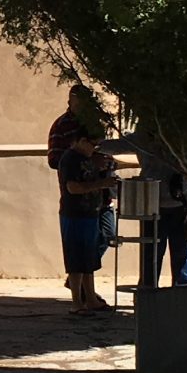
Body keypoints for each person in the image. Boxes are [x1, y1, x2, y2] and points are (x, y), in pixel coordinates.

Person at [49, 83, 119, 315]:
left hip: (95, 206)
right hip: (76, 212)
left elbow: (104, 154)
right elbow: (72, 186)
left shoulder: (93, 130)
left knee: (94, 249)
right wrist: (95, 175)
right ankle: (78, 300)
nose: (93, 147)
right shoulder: (69, 155)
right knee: (77, 257)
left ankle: (90, 297)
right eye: (90, 144)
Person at [123, 121, 187, 290]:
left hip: (179, 206)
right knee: (153, 251)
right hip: (153, 206)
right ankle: (151, 290)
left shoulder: (182, 140)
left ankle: (181, 291)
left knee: (180, 251)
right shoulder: (143, 140)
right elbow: (117, 146)